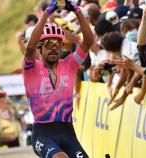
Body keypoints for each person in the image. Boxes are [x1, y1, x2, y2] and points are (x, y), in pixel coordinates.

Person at [22, 0, 93, 157]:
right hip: (43, 134)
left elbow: (88, 41)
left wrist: (78, 11)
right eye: (48, 44)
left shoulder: (70, 64)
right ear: (40, 48)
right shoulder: (31, 68)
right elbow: (30, 47)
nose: (54, 47)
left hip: (68, 132)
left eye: (57, 44)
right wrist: (46, 14)